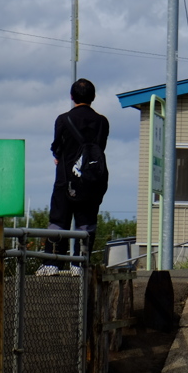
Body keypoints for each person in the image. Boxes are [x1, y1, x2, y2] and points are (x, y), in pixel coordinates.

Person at [46, 78, 110, 262]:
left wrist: (58, 156)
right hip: (91, 180)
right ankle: (80, 263)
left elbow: (56, 147)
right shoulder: (102, 122)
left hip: (65, 179)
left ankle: (53, 263)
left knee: (59, 221)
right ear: (94, 97)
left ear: (71, 96)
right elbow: (100, 147)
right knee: (86, 223)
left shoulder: (63, 120)